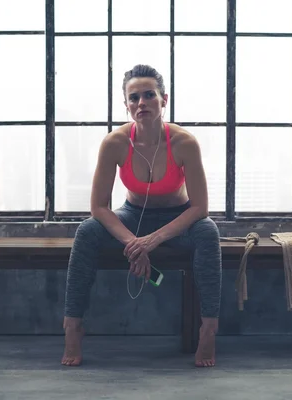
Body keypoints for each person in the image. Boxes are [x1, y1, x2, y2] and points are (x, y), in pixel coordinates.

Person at [61, 64, 222, 368]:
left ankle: (209, 329)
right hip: (132, 218)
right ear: (126, 105)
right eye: (134, 98)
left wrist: (152, 241)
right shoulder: (115, 143)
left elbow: (200, 208)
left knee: (208, 231)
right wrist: (135, 243)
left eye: (149, 95)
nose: (141, 103)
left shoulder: (184, 143)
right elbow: (99, 207)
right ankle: (72, 326)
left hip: (176, 220)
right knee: (87, 230)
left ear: (164, 100)